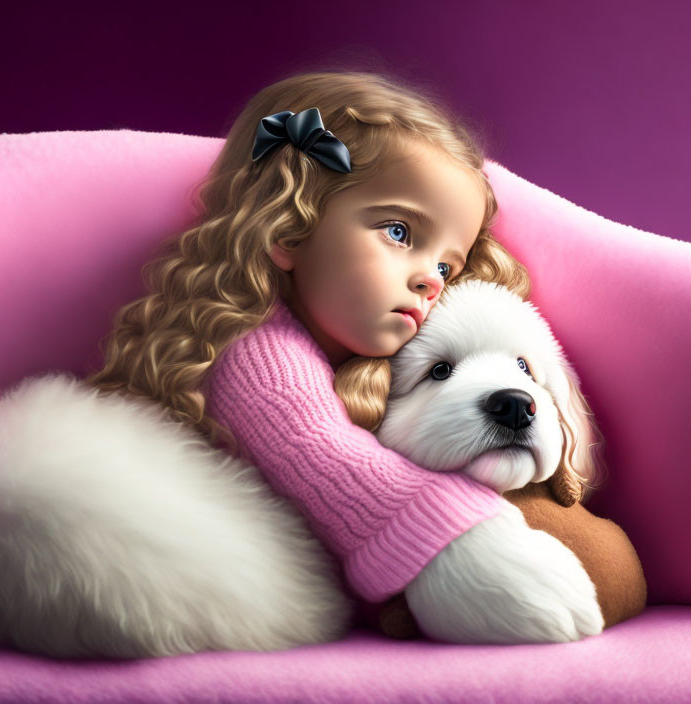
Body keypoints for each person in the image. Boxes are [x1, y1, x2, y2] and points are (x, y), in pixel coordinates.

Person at [85, 70, 603, 644]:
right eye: (401, 232)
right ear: (290, 228)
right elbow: (326, 461)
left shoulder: (357, 352)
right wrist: (464, 543)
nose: (429, 281)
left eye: (445, 266)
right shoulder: (257, 352)